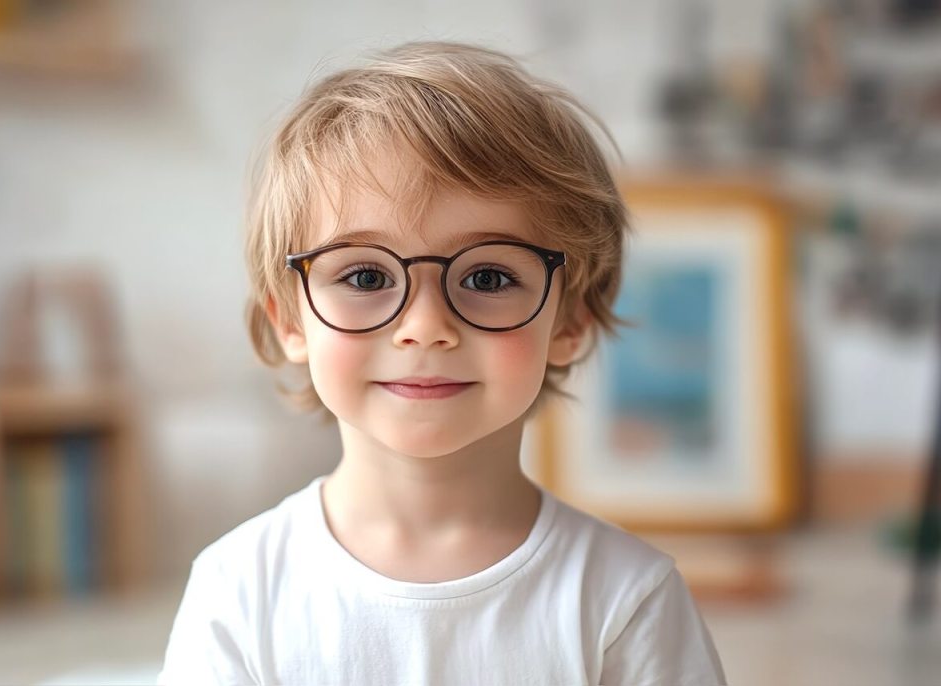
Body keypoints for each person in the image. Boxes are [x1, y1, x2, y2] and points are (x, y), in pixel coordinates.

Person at [158, 41, 727, 686]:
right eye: (366, 274)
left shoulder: (626, 601)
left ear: (569, 321)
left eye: (486, 276)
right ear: (290, 320)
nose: (425, 327)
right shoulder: (238, 590)